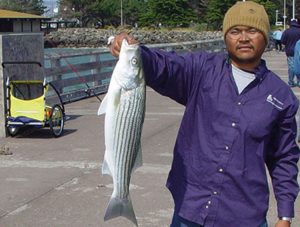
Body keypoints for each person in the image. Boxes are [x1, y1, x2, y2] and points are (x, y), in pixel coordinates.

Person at [109, 1, 299, 227]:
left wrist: (285, 215)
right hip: (190, 208)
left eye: (253, 31)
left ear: (265, 37)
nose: (244, 38)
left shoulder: (281, 95)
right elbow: (165, 66)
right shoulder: (201, 69)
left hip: (245, 215)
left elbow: (284, 157)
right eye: (235, 31)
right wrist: (131, 49)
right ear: (226, 37)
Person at [281, 19, 300, 87]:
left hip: (290, 51)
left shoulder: (287, 31)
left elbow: (283, 41)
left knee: (291, 67)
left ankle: (291, 82)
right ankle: (299, 81)